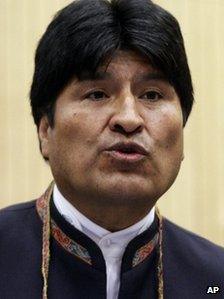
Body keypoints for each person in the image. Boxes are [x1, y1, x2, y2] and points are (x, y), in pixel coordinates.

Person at [0, 0, 223, 298]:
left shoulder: (215, 276)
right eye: (97, 94)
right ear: (45, 131)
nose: (129, 119)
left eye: (153, 95)